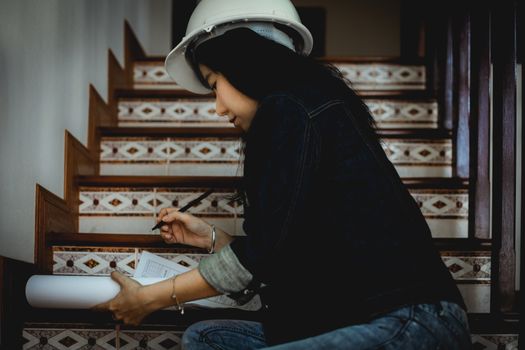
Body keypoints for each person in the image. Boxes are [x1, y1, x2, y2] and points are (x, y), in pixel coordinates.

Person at [95, 0, 472, 348]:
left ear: (244, 62)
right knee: (207, 339)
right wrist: (214, 239)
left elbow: (261, 257)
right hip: (363, 319)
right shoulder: (303, 109)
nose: (218, 108)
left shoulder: (288, 108)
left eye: (214, 85)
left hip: (410, 321)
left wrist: (149, 298)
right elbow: (283, 255)